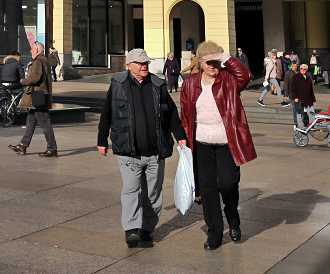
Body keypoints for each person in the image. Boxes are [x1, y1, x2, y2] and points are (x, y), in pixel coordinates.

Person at [96, 48, 185, 248]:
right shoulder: (118, 85)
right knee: (130, 190)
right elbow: (106, 114)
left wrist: (180, 137)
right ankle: (131, 230)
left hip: (155, 151)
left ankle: (147, 229)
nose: (144, 66)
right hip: (129, 151)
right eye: (140, 63)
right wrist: (102, 139)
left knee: (153, 192)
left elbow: (171, 114)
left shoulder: (158, 85)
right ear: (129, 66)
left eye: (146, 63)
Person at [180, 40, 256, 251]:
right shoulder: (190, 83)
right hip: (201, 144)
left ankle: (233, 219)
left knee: (228, 184)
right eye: (209, 63)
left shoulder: (229, 81)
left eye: (216, 62)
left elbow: (246, 76)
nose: (213, 67)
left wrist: (225, 57)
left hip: (226, 144)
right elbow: (185, 115)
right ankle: (214, 233)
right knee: (208, 189)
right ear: (201, 63)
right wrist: (184, 140)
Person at [9, 41, 57, 157]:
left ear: (36, 50)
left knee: (45, 124)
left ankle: (52, 148)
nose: (30, 51)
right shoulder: (44, 60)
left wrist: (22, 81)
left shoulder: (38, 62)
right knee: (30, 121)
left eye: (32, 49)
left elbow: (34, 79)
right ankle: (22, 145)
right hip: (38, 98)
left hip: (37, 98)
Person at [290, 63, 316, 128]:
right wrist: (295, 97)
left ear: (306, 70)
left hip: (308, 99)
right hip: (299, 98)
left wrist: (313, 99)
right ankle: (301, 127)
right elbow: (292, 88)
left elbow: (311, 90)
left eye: (304, 69)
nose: (303, 70)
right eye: (301, 69)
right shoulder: (295, 77)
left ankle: (312, 126)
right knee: (299, 114)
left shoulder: (308, 78)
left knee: (312, 113)